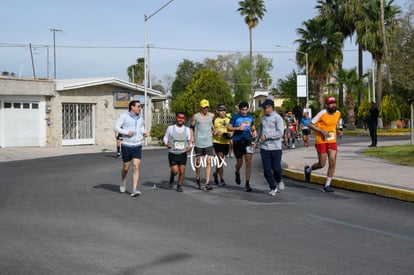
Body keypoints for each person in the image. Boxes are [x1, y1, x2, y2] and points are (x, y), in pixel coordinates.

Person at [304, 96, 343, 193]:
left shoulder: (338, 113)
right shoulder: (322, 113)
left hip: (332, 140)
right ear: (327, 105)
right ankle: (308, 170)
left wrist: (338, 130)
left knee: (333, 161)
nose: (333, 105)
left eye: (334, 103)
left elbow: (335, 124)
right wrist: (321, 131)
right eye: (331, 103)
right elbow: (309, 124)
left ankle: (327, 185)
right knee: (322, 164)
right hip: (321, 140)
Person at [114, 100, 148, 197]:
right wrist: (126, 132)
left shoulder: (140, 117)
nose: (140, 108)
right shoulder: (124, 116)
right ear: (132, 107)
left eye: (140, 106)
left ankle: (134, 189)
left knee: (136, 166)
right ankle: (123, 181)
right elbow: (116, 128)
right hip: (126, 145)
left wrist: (144, 132)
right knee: (126, 167)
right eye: (138, 106)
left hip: (137, 145)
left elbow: (141, 127)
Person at [254, 99, 285, 196]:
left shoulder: (278, 118)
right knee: (266, 170)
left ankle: (279, 179)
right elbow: (260, 131)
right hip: (264, 148)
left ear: (270, 107)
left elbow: (280, 133)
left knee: (276, 169)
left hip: (275, 148)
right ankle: (273, 187)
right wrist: (256, 141)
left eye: (265, 107)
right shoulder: (263, 118)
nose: (263, 109)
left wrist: (267, 136)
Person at [227, 101, 257, 192]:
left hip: (247, 141)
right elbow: (228, 127)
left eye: (245, 110)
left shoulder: (250, 117)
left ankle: (247, 183)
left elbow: (252, 126)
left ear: (247, 109)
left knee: (248, 161)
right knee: (239, 163)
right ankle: (237, 171)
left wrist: (254, 131)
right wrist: (237, 128)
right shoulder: (235, 117)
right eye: (242, 110)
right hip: (237, 141)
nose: (244, 112)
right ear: (239, 110)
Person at [163, 112, 193, 192]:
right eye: (179, 117)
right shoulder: (170, 128)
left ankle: (179, 185)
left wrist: (190, 147)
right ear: (176, 118)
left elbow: (190, 141)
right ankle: (172, 177)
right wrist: (166, 144)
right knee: (175, 171)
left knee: (182, 171)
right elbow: (165, 137)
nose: (180, 119)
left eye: (182, 118)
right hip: (173, 153)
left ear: (184, 120)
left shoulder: (187, 130)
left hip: (183, 153)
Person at [190, 99, 216, 191]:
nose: (206, 109)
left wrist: (214, 130)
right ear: (201, 107)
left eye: (207, 107)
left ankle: (207, 183)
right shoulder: (195, 117)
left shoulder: (211, 115)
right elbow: (191, 127)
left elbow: (211, 124)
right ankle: (197, 178)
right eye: (204, 107)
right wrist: (192, 138)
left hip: (208, 142)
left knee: (209, 161)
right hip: (199, 142)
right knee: (198, 162)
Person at [212, 105, 231, 186]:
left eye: (224, 110)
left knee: (221, 161)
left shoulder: (229, 119)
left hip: (226, 142)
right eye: (221, 110)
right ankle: (222, 179)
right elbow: (211, 130)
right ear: (217, 111)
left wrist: (230, 135)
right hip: (217, 141)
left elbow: (232, 130)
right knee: (220, 159)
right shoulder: (214, 120)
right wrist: (215, 133)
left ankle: (216, 173)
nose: (223, 112)